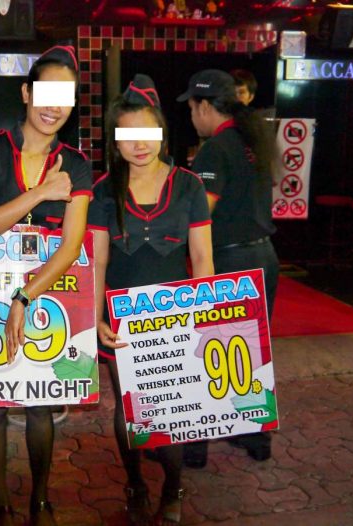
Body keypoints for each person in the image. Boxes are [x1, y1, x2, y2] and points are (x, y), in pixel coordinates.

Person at [0, 45, 92, 526]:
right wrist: (39, 193)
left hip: (43, 296)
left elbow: (71, 247)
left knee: (40, 403)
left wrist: (24, 296)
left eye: (66, 96)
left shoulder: (76, 165)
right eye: (47, 92)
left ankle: (40, 498)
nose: (54, 105)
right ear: (26, 92)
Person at [89, 74, 214, 526]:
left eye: (148, 133)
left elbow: (202, 258)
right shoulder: (103, 191)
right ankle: (134, 482)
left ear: (161, 133)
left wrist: (205, 316)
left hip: (174, 318)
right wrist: (96, 313)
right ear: (116, 141)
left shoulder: (189, 187)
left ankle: (173, 484)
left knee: (171, 412)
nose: (139, 145)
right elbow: (98, 261)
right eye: (128, 135)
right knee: (128, 411)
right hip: (121, 321)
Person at [177, 69, 279, 467]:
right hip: (263, 257)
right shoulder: (253, 140)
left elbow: (202, 212)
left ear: (205, 106)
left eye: (191, 108)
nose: (190, 117)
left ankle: (196, 448)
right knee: (250, 353)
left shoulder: (215, 149)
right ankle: (256, 439)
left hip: (229, 262)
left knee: (210, 351)